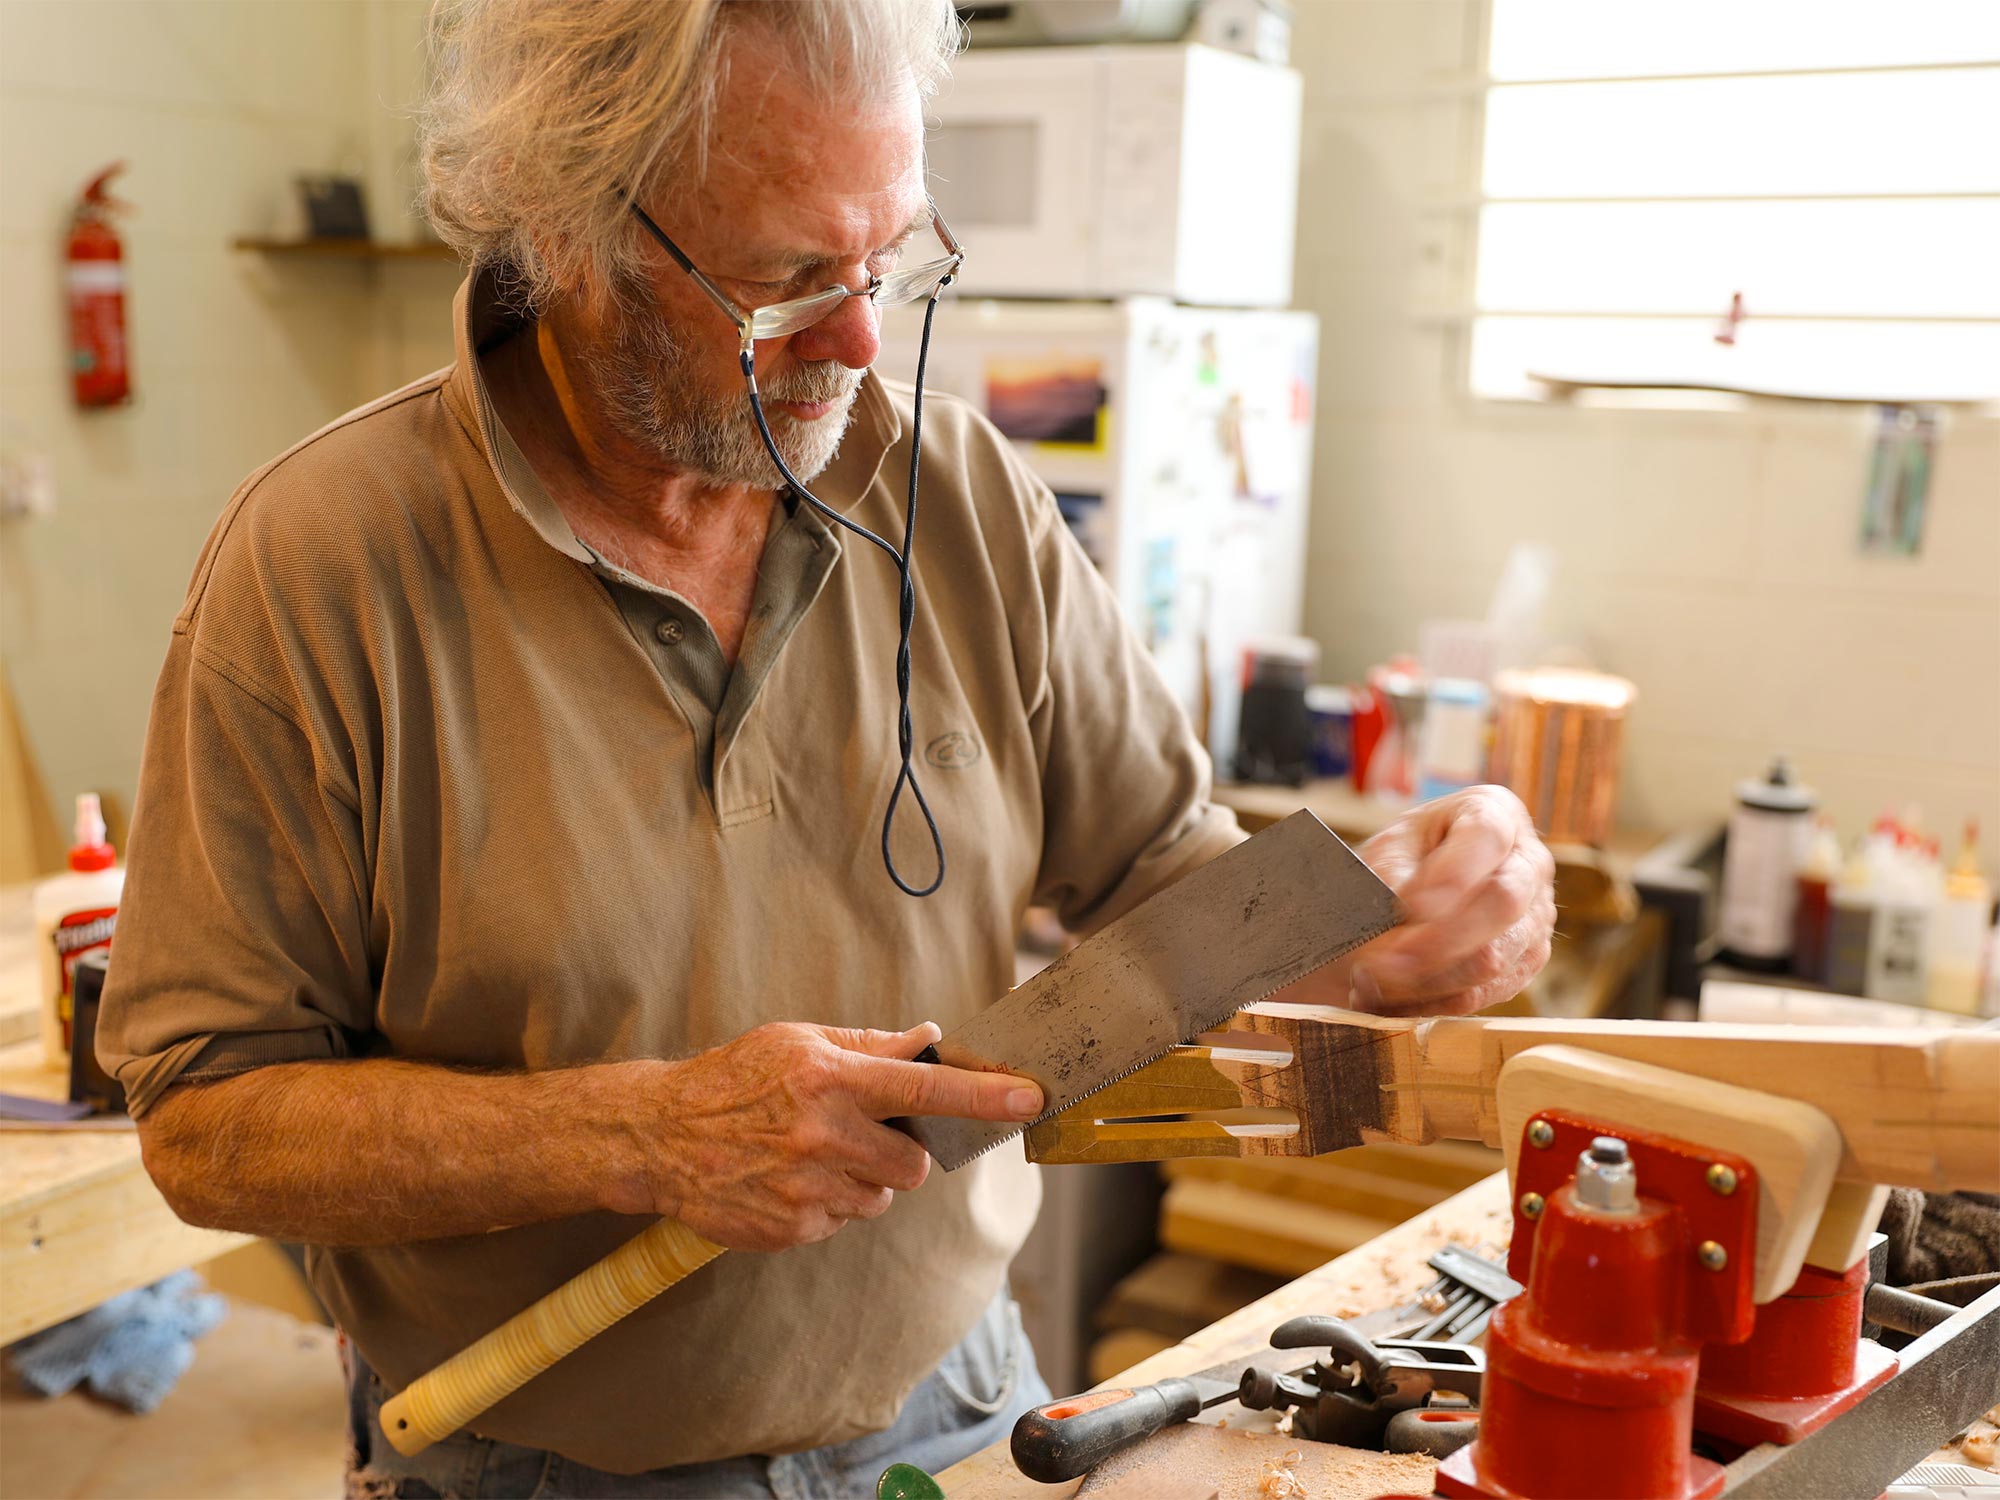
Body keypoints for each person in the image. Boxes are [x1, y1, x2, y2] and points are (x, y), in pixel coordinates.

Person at [98, 2, 1556, 1496]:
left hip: (965, 1408)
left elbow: (1162, 880)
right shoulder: (321, 566)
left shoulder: (962, 492)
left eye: (894, 259)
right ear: (572, 234)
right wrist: (642, 1136)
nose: (863, 338)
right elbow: (207, 1117)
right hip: (534, 1458)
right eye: (789, 282)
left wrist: (1385, 923)